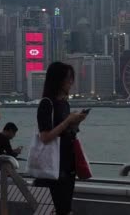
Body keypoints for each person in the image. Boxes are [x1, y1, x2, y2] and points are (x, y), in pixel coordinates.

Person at [34, 62, 87, 215]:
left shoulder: (64, 104)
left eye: (72, 78)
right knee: (60, 207)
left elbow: (66, 132)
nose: (71, 82)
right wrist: (68, 121)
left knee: (65, 207)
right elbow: (45, 137)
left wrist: (76, 123)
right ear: (57, 80)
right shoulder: (47, 104)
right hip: (53, 165)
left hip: (68, 163)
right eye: (68, 79)